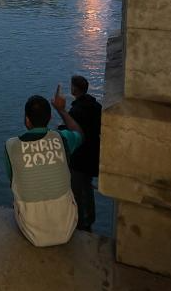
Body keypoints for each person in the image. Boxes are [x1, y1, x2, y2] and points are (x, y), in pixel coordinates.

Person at [3, 85, 83, 247]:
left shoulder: (11, 145)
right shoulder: (62, 138)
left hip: (31, 229)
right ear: (49, 118)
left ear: (27, 119)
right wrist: (61, 110)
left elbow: (13, 181)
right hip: (67, 226)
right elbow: (80, 134)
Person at [68, 74, 102, 231]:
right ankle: (89, 219)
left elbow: (73, 133)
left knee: (77, 189)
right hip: (92, 155)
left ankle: (80, 221)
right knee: (87, 187)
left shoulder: (76, 110)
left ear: (75, 89)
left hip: (79, 157)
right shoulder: (96, 106)